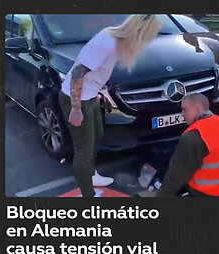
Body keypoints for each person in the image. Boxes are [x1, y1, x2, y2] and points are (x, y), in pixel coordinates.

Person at [59, 14, 162, 197]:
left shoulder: (117, 42)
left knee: (97, 137)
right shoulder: (107, 43)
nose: (148, 42)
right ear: (139, 33)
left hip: (89, 96)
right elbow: (77, 73)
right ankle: (88, 195)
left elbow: (97, 73)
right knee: (84, 150)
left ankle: (91, 175)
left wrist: (98, 93)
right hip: (75, 99)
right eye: (148, 37)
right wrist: (75, 109)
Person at [156, 93, 219, 197]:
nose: (182, 114)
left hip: (206, 194)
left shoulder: (193, 137)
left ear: (197, 108)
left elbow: (175, 177)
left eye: (184, 109)